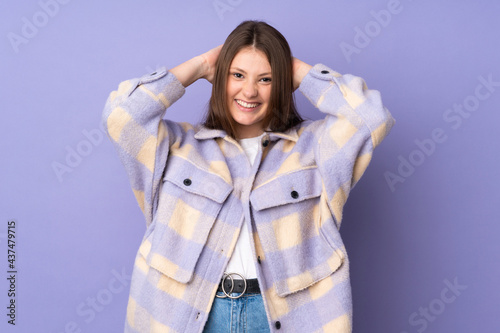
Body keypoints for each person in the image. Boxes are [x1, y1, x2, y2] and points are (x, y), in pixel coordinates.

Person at [102, 20, 394, 333]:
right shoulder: (176, 147)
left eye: (266, 79)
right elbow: (122, 117)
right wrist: (199, 66)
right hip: (186, 314)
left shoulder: (315, 148)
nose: (249, 91)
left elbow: (369, 118)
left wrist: (297, 72)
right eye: (237, 75)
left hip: (284, 318)